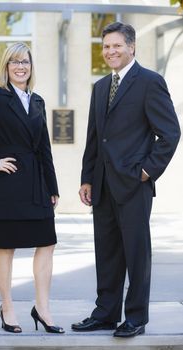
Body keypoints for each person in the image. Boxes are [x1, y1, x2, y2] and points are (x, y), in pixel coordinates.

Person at [71, 22, 181, 338]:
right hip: (103, 184)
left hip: (134, 183)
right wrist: (87, 178)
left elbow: (170, 133)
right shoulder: (100, 87)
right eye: (106, 46)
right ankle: (105, 313)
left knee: (136, 253)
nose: (110, 52)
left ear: (132, 47)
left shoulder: (150, 82)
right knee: (106, 252)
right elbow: (95, 138)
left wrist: (146, 171)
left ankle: (135, 317)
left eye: (116, 45)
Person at [0, 42, 64, 334]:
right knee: (6, 247)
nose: (21, 67)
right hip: (9, 185)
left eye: (26, 62)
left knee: (47, 243)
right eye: (15, 62)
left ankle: (42, 309)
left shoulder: (38, 101)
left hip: (37, 185)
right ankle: (7, 307)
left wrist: (52, 185)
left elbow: (44, 147)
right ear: (6, 67)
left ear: (31, 68)